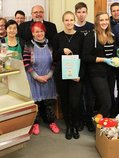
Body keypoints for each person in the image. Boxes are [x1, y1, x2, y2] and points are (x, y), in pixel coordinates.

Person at [23, 22, 60, 135]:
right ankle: (36, 124)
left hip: (49, 77)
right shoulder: (28, 45)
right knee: (36, 104)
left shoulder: (51, 44)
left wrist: (49, 75)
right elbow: (26, 63)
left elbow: (54, 61)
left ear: (44, 32)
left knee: (49, 103)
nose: (39, 33)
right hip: (34, 78)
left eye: (41, 31)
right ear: (33, 33)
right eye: (36, 31)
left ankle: (51, 122)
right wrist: (36, 76)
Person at [52, 11, 84, 140]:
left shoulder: (81, 36)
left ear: (74, 21)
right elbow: (53, 56)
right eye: (66, 20)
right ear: (63, 21)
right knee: (64, 101)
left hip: (76, 75)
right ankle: (69, 126)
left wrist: (80, 75)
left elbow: (84, 57)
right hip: (61, 75)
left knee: (75, 102)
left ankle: (75, 125)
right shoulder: (57, 37)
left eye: (71, 20)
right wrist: (62, 51)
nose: (69, 22)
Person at [82, 11, 117, 118]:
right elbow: (85, 57)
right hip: (97, 74)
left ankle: (103, 127)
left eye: (106, 19)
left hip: (110, 73)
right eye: (101, 20)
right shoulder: (91, 36)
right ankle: (97, 120)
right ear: (97, 22)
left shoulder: (111, 36)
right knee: (107, 103)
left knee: (109, 101)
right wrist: (104, 60)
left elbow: (113, 53)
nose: (104, 22)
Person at [74, 2, 95, 132]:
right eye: (79, 12)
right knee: (79, 94)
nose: (81, 14)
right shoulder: (72, 27)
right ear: (76, 13)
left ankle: (89, 120)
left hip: (90, 65)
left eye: (83, 12)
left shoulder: (92, 27)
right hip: (77, 65)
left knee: (90, 95)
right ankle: (80, 120)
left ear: (87, 13)